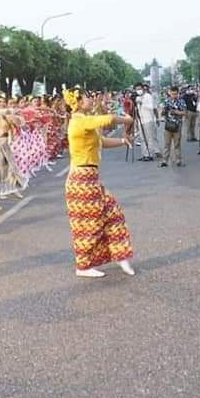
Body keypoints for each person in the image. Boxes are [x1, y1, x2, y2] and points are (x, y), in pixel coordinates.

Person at [62, 87, 135, 278]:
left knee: (114, 214)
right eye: (86, 97)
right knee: (89, 225)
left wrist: (122, 140)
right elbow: (108, 119)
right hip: (81, 181)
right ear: (77, 102)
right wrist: (126, 119)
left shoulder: (85, 122)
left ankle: (121, 255)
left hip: (91, 179)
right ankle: (83, 266)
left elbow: (101, 141)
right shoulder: (79, 121)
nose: (91, 99)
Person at [162, 86, 187, 167]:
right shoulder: (166, 101)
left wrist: (176, 112)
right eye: (172, 94)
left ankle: (178, 160)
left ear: (178, 93)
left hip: (177, 125)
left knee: (177, 144)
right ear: (170, 93)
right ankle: (165, 160)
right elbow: (163, 113)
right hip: (168, 125)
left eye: (175, 94)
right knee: (166, 144)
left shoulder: (181, 101)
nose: (174, 96)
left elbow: (184, 112)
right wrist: (164, 111)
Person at [136, 83, 161, 161]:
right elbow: (137, 110)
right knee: (143, 138)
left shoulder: (148, 96)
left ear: (143, 88)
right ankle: (145, 154)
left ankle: (150, 154)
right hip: (141, 120)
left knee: (150, 138)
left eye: (139, 89)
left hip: (148, 120)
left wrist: (142, 103)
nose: (138, 91)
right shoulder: (137, 98)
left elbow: (151, 107)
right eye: (137, 89)